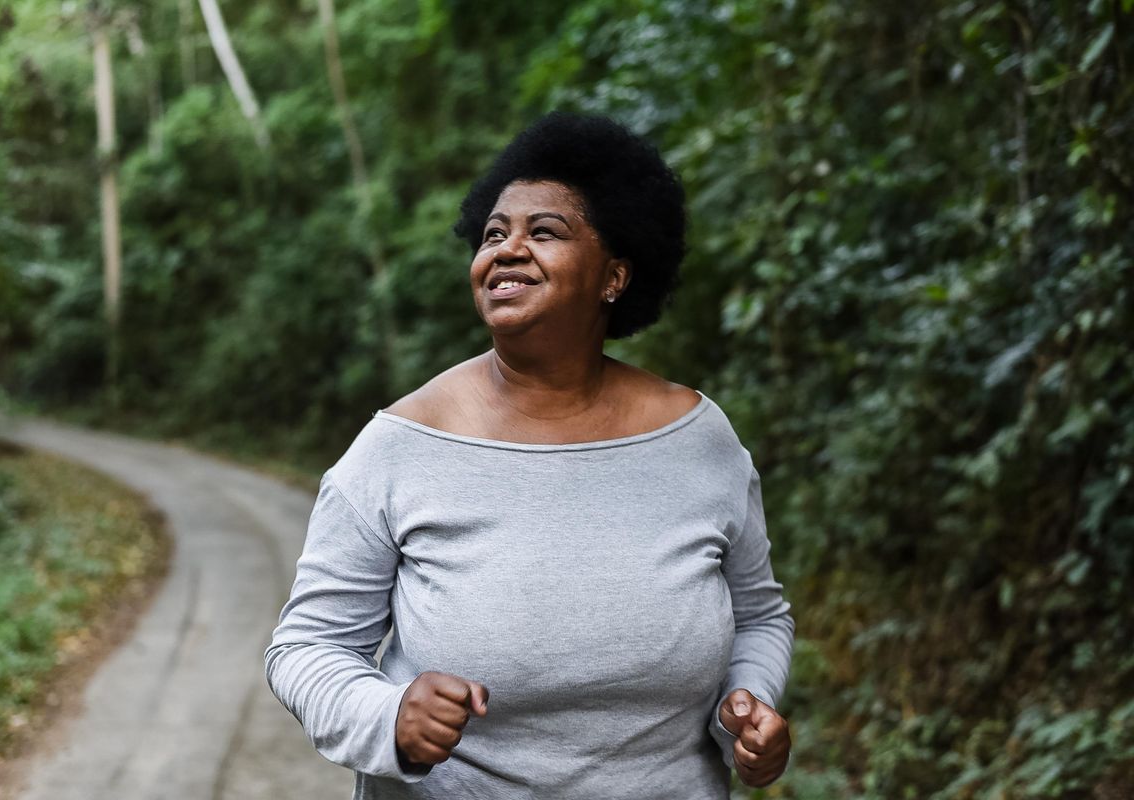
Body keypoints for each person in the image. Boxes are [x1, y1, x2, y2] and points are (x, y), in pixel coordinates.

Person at [265, 111, 795, 798]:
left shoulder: (698, 438)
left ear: (614, 276)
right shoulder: (400, 446)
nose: (507, 249)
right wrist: (388, 716)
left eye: (544, 231)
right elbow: (307, 647)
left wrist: (746, 709)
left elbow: (759, 617)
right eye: (494, 233)